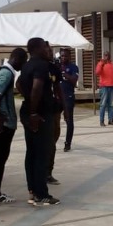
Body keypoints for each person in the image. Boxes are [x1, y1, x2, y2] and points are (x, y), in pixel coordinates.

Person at [18, 37, 60, 206]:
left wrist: (28, 102)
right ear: (37, 48)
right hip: (40, 115)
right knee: (42, 154)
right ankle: (41, 194)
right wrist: (34, 111)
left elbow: (19, 84)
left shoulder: (27, 65)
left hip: (29, 113)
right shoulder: (42, 66)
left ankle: (33, 190)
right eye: (44, 47)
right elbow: (36, 87)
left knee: (32, 153)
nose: (47, 49)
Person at [0, 47, 27, 204]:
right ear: (16, 59)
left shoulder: (4, 71)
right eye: (22, 62)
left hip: (2, 123)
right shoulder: (7, 73)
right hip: (3, 125)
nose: (22, 66)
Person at [46, 45, 64, 185]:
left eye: (51, 51)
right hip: (41, 112)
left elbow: (58, 87)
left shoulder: (53, 68)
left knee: (52, 141)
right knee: (43, 144)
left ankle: (48, 173)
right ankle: (40, 173)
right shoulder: (34, 67)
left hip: (54, 111)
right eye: (48, 50)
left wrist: (62, 105)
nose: (51, 53)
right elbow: (20, 84)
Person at [60, 48, 79, 152]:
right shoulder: (57, 66)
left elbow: (74, 80)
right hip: (57, 97)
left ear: (70, 56)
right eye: (62, 56)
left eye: (65, 56)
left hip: (68, 97)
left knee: (69, 120)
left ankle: (68, 143)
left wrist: (64, 73)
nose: (63, 58)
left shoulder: (74, 67)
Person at [96, 50, 113, 126]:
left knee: (111, 105)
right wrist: (102, 63)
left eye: (108, 55)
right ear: (103, 56)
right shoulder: (101, 63)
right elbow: (97, 72)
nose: (107, 57)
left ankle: (111, 120)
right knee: (103, 104)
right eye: (105, 55)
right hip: (104, 87)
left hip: (112, 87)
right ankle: (101, 121)